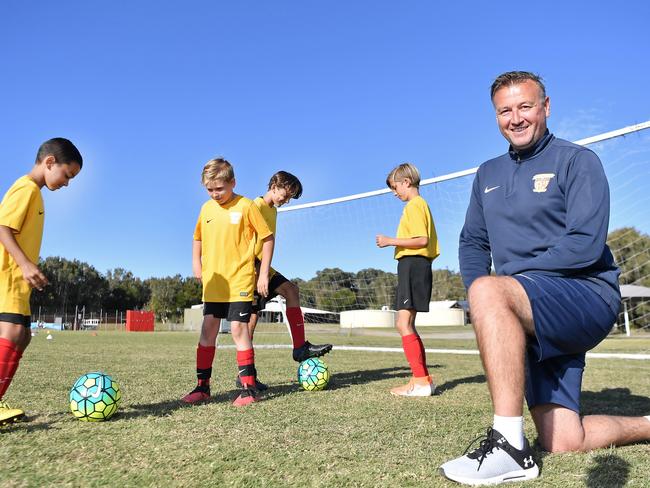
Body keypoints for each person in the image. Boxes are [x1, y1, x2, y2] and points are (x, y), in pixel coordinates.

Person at [440, 71, 650, 485]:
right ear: (496, 116)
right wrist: (484, 297)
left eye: (525, 106)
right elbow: (471, 244)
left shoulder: (578, 161)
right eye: (504, 110)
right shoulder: (486, 174)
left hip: (584, 296)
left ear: (546, 107)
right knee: (563, 439)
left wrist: (499, 291)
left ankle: (509, 448)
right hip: (528, 308)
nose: (515, 118)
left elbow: (586, 244)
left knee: (491, 290)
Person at [0, 138, 82, 425]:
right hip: (7, 275)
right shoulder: (26, 189)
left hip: (18, 281)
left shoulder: (35, 193)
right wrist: (23, 264)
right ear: (49, 162)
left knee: (22, 337)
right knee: (10, 335)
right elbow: (2, 226)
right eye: (67, 175)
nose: (67, 183)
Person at [182, 158, 274, 407]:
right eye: (210, 189)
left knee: (238, 329)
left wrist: (263, 273)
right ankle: (202, 387)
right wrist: (196, 263)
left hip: (240, 279)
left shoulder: (245, 206)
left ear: (233, 182)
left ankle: (249, 388)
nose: (215, 194)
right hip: (214, 281)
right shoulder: (206, 209)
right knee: (208, 330)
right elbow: (197, 237)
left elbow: (267, 238)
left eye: (219, 189)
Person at [236, 171, 332, 390]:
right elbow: (245, 242)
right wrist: (259, 274)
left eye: (289, 198)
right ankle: (245, 375)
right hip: (251, 269)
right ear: (274, 185)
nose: (286, 201)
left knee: (291, 291)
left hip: (264, 268)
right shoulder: (255, 206)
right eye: (285, 195)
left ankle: (300, 347)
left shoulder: (273, 211)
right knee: (250, 320)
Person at [376, 163, 439, 397]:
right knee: (407, 324)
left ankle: (421, 382)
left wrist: (390, 240)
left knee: (403, 324)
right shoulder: (418, 205)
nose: (395, 193)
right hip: (413, 266)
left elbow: (421, 240)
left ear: (406, 182)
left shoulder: (415, 205)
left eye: (395, 187)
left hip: (413, 265)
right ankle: (422, 379)